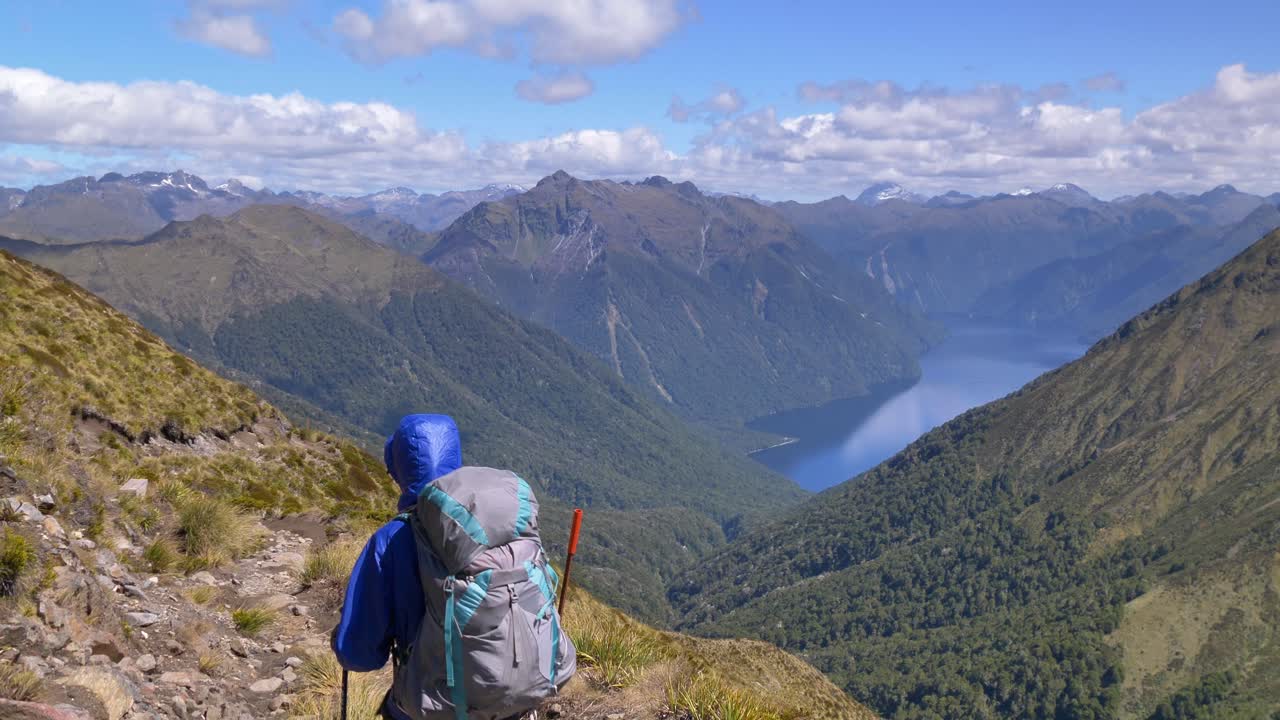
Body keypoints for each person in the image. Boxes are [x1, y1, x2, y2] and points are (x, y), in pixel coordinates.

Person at [332, 413, 463, 719]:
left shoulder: (390, 541)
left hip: (426, 707)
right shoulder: (493, 530)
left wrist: (340, 638)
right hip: (505, 699)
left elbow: (358, 654)